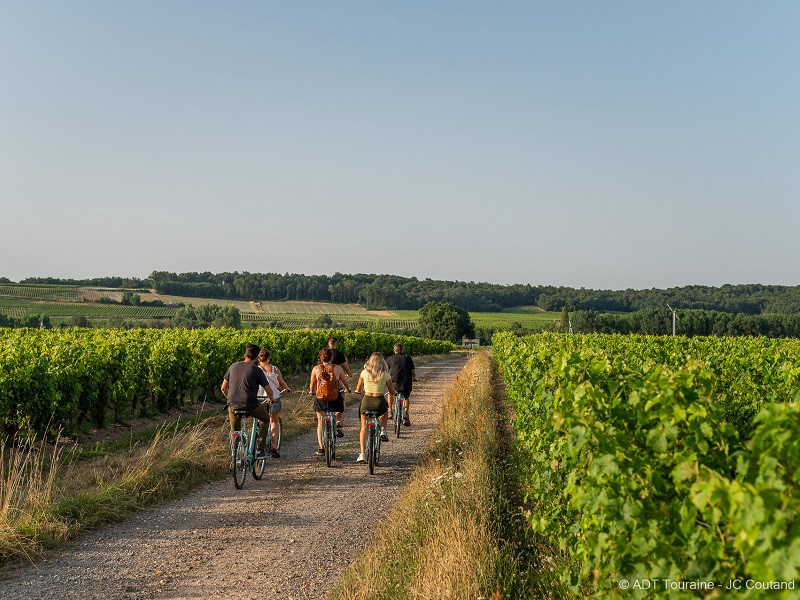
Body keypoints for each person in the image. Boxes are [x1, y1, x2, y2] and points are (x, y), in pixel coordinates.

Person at [221, 344, 274, 459]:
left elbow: (223, 388)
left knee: (235, 431)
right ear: (256, 358)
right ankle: (260, 449)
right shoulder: (256, 370)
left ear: (245, 355)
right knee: (265, 419)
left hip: (233, 405)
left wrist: (230, 399)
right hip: (251, 405)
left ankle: (235, 454)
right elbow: (269, 391)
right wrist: (271, 399)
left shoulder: (233, 366)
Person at [354, 352, 395, 464]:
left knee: (363, 427)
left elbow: (358, 388)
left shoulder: (364, 372)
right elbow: (391, 391)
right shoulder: (385, 374)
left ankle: (362, 454)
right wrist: (394, 393)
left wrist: (359, 391)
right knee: (385, 411)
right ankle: (383, 431)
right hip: (379, 401)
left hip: (367, 401)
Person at [309, 347, 351, 456]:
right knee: (340, 411)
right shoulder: (337, 368)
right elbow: (344, 382)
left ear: (320, 357)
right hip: (335, 398)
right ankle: (337, 424)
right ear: (331, 357)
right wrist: (347, 389)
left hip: (321, 398)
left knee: (320, 422)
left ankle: (321, 448)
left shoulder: (316, 369)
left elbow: (312, 386)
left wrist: (311, 391)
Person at [257, 348, 290, 458]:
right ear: (269, 358)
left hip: (259, 398)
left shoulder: (255, 369)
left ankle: (259, 444)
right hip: (274, 398)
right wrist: (287, 388)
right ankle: (273, 447)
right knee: (274, 421)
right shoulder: (275, 369)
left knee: (260, 421)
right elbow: (281, 382)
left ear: (258, 358)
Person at [386, 342, 416, 427]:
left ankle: (390, 411)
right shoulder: (408, 359)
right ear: (403, 350)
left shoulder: (390, 359)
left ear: (394, 350)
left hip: (394, 383)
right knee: (406, 396)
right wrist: (414, 379)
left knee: (390, 393)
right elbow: (413, 372)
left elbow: (387, 372)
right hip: (406, 383)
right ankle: (406, 413)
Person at [327, 337, 351, 436]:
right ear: (336, 344)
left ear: (329, 344)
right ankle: (338, 422)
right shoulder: (339, 354)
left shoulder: (324, 353)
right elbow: (345, 367)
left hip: (323, 383)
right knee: (340, 401)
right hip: (336, 381)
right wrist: (349, 373)